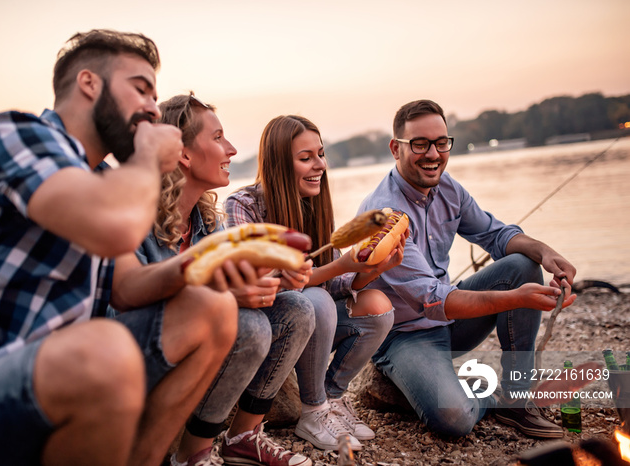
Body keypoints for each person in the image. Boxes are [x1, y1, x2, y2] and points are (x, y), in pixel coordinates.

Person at [0, 30, 238, 466]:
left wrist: (209, 261)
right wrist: (147, 158)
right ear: (89, 83)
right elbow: (111, 227)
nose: (153, 108)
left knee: (213, 308)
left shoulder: (99, 179)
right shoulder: (15, 133)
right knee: (104, 350)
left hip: (63, 374)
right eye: (140, 89)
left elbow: (127, 285)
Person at [356, 99, 577, 439]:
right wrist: (516, 299)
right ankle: (486, 397)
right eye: (420, 144)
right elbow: (432, 299)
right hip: (404, 337)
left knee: (521, 263)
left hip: (452, 321)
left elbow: (495, 234)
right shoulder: (382, 214)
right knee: (453, 419)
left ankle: (517, 397)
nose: (433, 154)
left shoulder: (448, 188)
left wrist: (545, 252)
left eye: (441, 143)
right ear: (395, 148)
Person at [115, 93, 316, 466]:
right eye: (219, 137)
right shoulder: (135, 215)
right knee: (252, 328)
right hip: (137, 351)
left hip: (199, 335)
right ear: (185, 155)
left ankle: (243, 436)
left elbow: (228, 283)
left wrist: (276, 277)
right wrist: (225, 292)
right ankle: (191, 454)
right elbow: (126, 303)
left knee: (297, 310)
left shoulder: (206, 220)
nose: (233, 149)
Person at [224, 115, 407, 451]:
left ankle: (333, 398)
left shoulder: (313, 206)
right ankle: (312, 411)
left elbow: (337, 283)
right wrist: (340, 264)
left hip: (314, 325)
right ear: (279, 163)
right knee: (315, 301)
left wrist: (374, 267)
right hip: (273, 329)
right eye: (305, 158)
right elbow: (265, 284)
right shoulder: (243, 206)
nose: (319, 165)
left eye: (320, 155)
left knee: (377, 306)